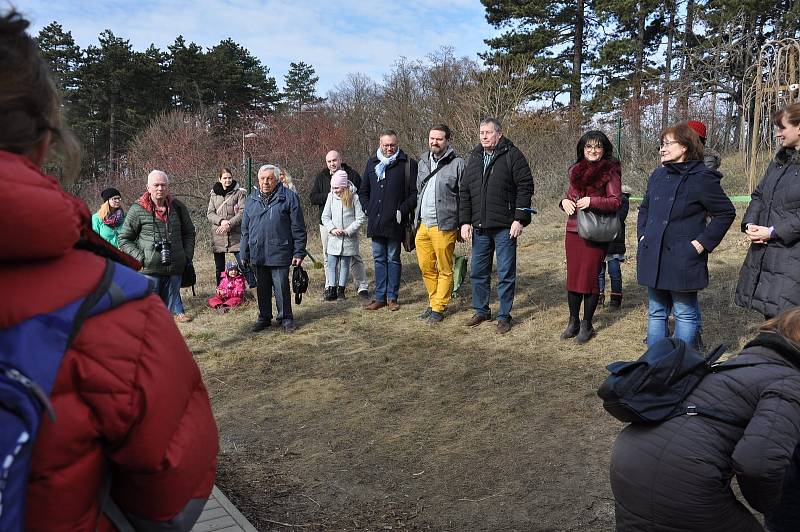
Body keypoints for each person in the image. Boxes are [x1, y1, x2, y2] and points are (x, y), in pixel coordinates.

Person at [0, 9, 217, 529]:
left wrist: (184, 255)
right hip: (137, 280)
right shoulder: (111, 309)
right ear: (46, 140)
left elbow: (186, 228)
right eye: (158, 185)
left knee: (174, 299)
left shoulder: (126, 295)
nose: (163, 191)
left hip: (163, 271)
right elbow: (172, 495)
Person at [609, 308, 800, 532]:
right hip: (681, 477)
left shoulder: (745, 361)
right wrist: (770, 505)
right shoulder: (790, 382)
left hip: (630, 459)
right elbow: (757, 464)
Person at [637, 123, 735, 347]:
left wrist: (701, 244)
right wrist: (643, 236)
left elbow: (726, 212)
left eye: (668, 144)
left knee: (684, 313)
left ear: (685, 147)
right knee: (656, 312)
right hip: (653, 253)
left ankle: (683, 367)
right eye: (661, 144)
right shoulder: (658, 175)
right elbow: (645, 208)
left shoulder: (702, 177)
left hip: (683, 257)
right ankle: (654, 365)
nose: (662, 149)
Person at [459, 117, 534, 334]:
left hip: (505, 227)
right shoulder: (474, 157)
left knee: (505, 273)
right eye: (481, 132)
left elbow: (525, 187)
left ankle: (504, 315)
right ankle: (482, 310)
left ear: (499, 134)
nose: (483, 136)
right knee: (478, 272)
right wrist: (465, 221)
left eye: (488, 132)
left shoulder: (512, 155)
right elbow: (465, 192)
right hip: (480, 228)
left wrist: (519, 219)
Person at [736, 103, 800, 319]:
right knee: (773, 319)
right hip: (771, 254)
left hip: (793, 256)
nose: (778, 134)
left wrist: (773, 231)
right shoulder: (781, 162)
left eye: (782, 128)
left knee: (789, 324)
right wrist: (751, 224)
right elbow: (760, 195)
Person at [560, 131, 621, 343]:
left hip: (596, 232)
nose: (592, 151)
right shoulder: (576, 170)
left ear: (604, 150)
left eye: (597, 147)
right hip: (573, 229)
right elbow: (569, 197)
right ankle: (573, 321)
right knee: (573, 277)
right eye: (588, 147)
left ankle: (587, 324)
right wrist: (563, 203)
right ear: (582, 149)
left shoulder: (610, 172)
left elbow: (615, 201)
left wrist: (592, 202)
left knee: (590, 278)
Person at [119, 169, 196, 323]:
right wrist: (141, 258)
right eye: (156, 185)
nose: (160, 188)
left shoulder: (178, 207)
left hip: (175, 269)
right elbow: (124, 239)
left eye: (163, 185)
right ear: (148, 187)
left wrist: (186, 255)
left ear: (168, 187)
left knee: (167, 317)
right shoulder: (137, 209)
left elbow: (189, 232)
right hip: (150, 270)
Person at [240, 164, 307, 332]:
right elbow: (245, 229)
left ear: (277, 180)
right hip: (258, 252)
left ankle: (286, 318)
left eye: (269, 178)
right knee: (262, 288)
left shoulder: (289, 197)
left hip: (280, 250)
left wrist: (299, 251)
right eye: (262, 179)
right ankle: (264, 317)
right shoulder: (251, 199)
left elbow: (298, 227)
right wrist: (244, 251)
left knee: (281, 287)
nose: (265, 182)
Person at [359, 130, 418, 311]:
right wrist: (368, 208)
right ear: (380, 143)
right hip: (376, 222)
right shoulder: (372, 163)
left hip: (395, 222)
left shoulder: (407, 164)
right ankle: (379, 297)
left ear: (397, 143)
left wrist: (402, 210)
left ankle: (392, 297)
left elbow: (415, 194)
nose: (389, 148)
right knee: (378, 259)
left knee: (393, 258)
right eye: (386, 145)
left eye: (392, 145)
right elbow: (363, 191)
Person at [414, 124, 465, 324]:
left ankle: (438, 307)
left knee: (445, 268)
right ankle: (433, 300)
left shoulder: (458, 163)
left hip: (444, 224)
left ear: (447, 141)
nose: (434, 142)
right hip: (423, 225)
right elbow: (419, 191)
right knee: (426, 266)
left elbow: (464, 195)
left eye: (439, 139)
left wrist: (463, 224)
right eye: (432, 138)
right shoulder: (422, 161)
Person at [309, 150, 369, 298]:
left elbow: (361, 193)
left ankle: (361, 286)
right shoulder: (322, 176)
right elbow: (313, 197)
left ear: (340, 160)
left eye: (334, 160)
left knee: (353, 257)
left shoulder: (352, 175)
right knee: (328, 257)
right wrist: (333, 196)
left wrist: (345, 197)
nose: (332, 164)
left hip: (349, 226)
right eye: (329, 161)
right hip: (328, 224)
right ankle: (330, 286)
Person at [321, 169, 366, 301]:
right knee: (331, 263)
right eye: (333, 187)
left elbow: (360, 218)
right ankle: (331, 288)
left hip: (348, 239)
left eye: (337, 187)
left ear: (344, 186)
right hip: (334, 238)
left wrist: (348, 230)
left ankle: (341, 289)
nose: (335, 190)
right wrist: (332, 229)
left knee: (345, 264)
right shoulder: (331, 197)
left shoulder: (355, 198)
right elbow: (325, 217)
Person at [206, 167, 255, 287]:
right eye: (225, 178)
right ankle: (221, 290)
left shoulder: (240, 193)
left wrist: (229, 224)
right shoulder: (213, 194)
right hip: (219, 235)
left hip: (236, 235)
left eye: (229, 177)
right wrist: (221, 221)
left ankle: (255, 288)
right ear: (220, 179)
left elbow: (243, 212)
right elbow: (210, 213)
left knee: (244, 263)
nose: (227, 180)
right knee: (219, 268)